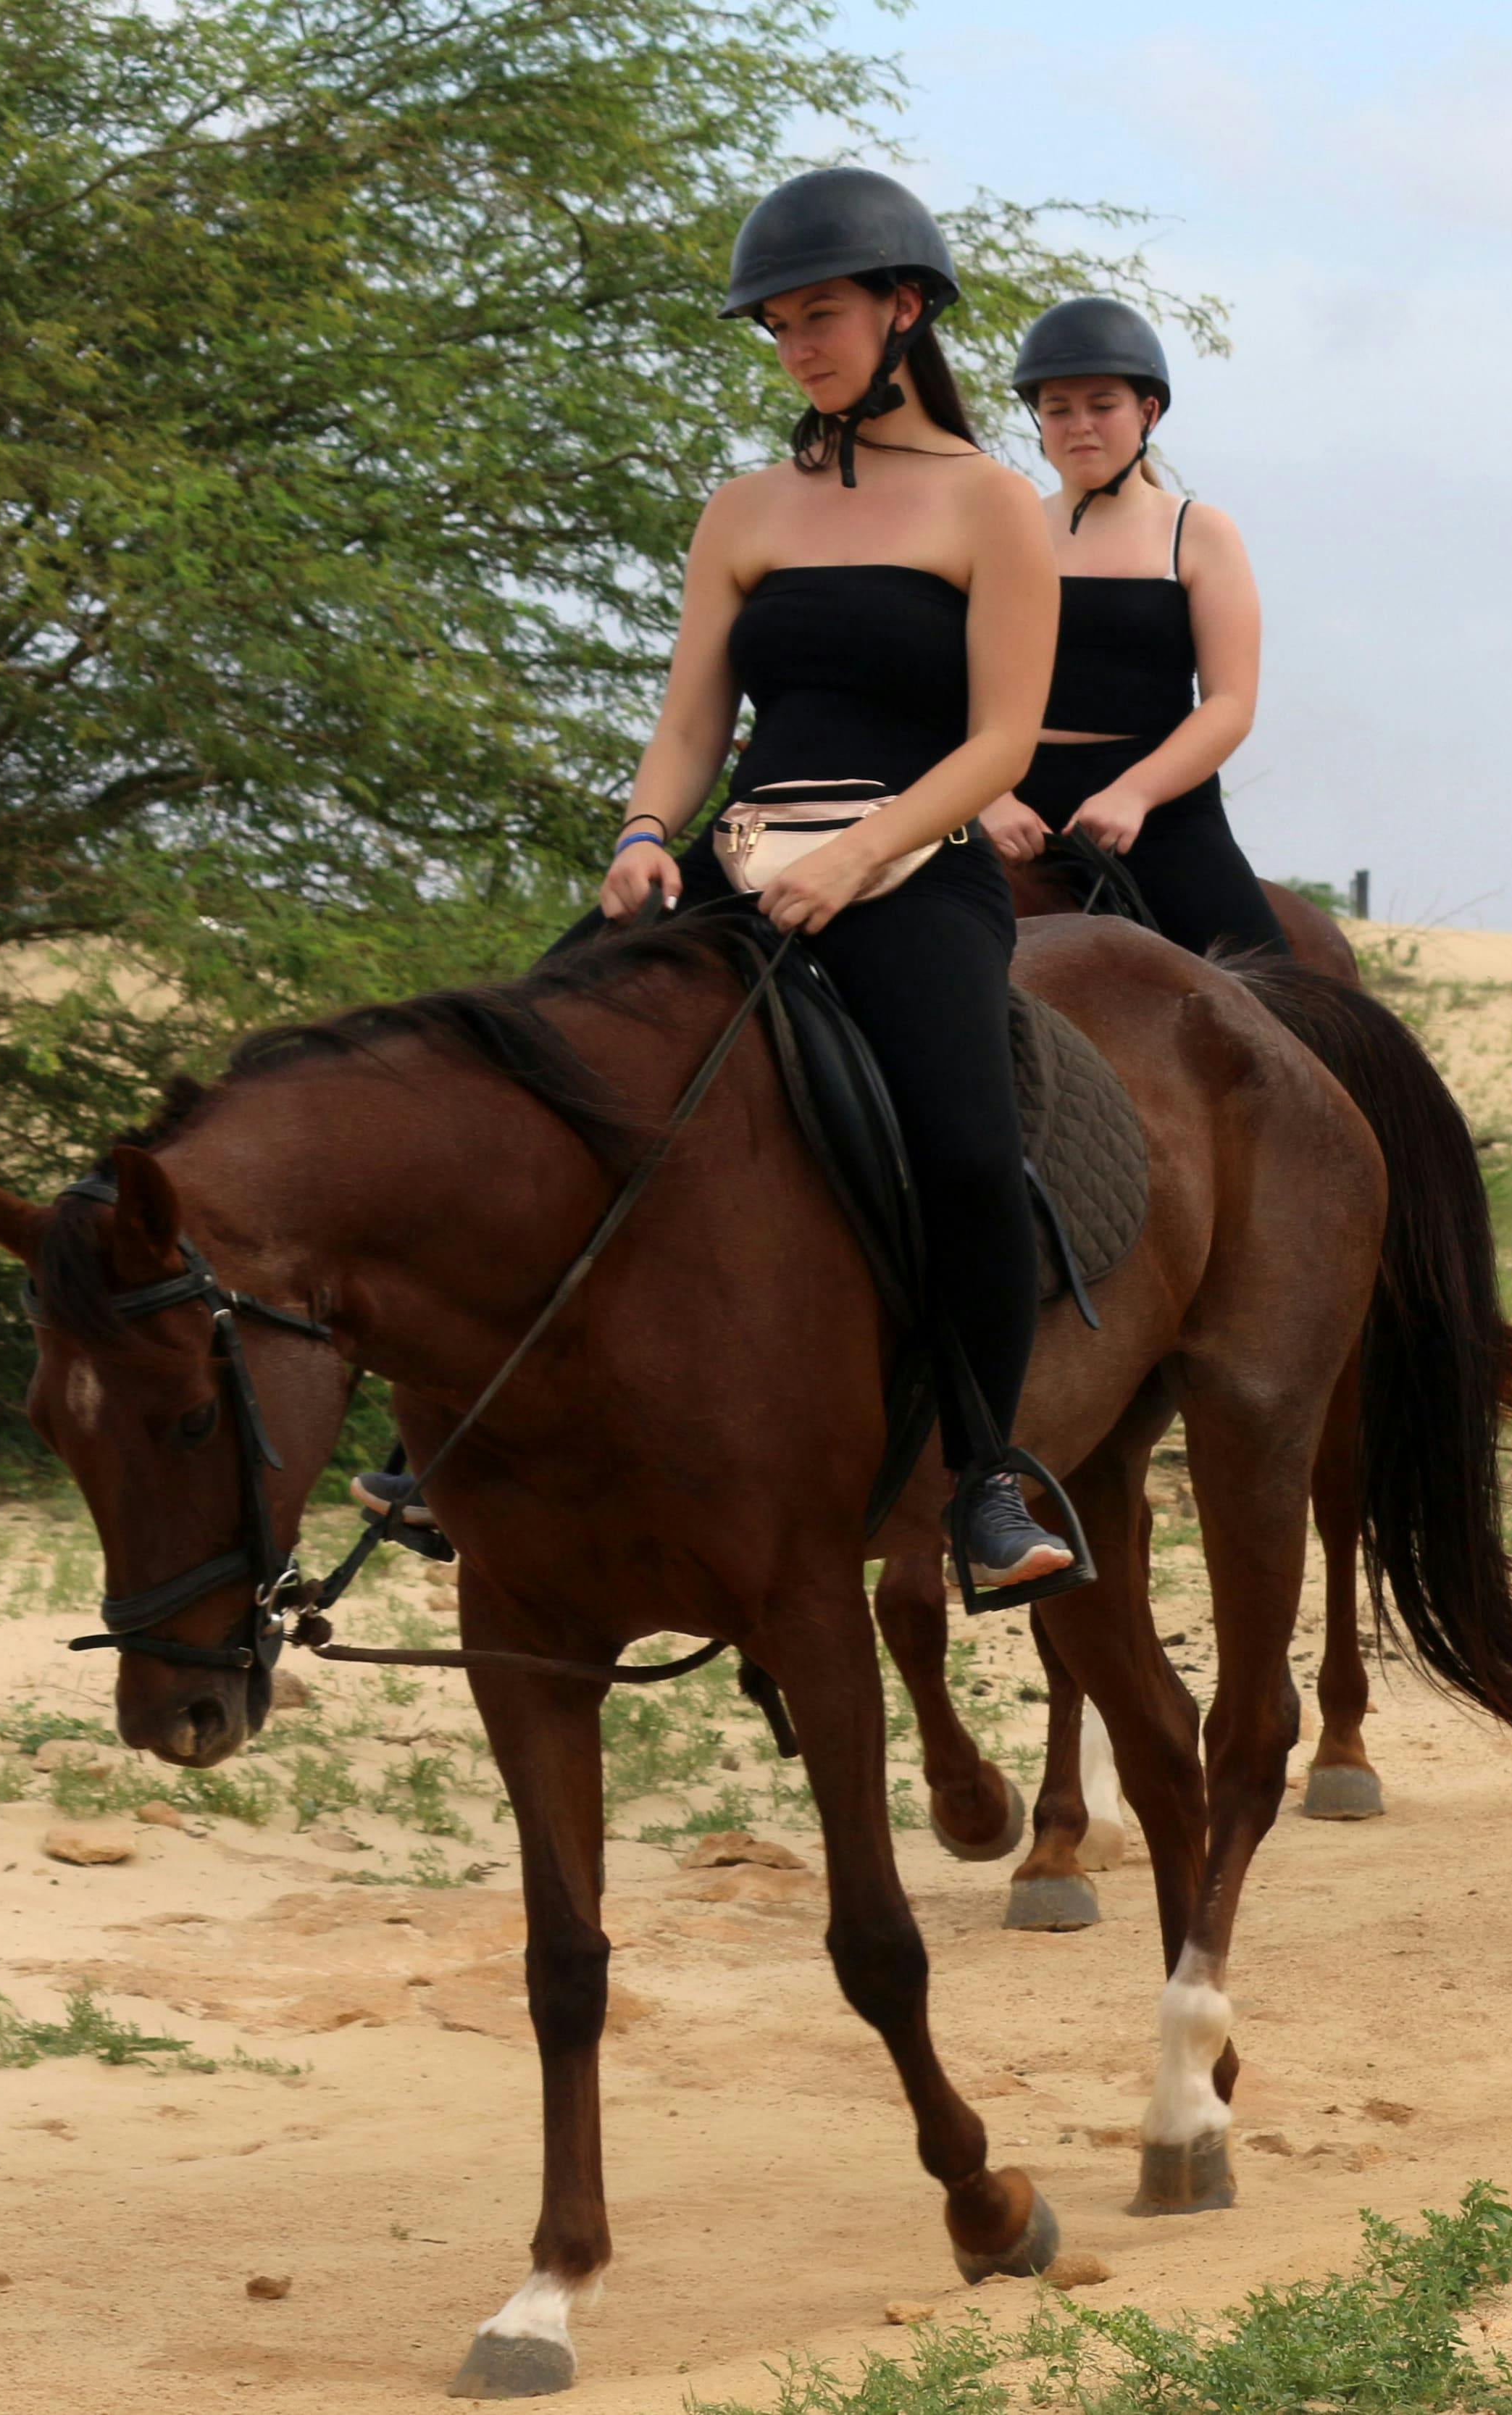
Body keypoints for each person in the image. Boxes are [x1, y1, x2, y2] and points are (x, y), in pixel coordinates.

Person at [582, 167, 1070, 1590]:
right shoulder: (744, 508)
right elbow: (690, 727)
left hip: (918, 866)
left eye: (822, 316)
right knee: (542, 1054)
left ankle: (984, 1478)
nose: (798, 345)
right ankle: (455, 1446)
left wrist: (864, 854)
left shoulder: (993, 505)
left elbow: (1003, 741)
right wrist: (639, 838)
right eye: (778, 324)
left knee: (971, 1154)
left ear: (904, 310)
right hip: (741, 858)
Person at [982, 296, 1285, 956]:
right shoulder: (1003, 533)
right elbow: (955, 685)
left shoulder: (1198, 532)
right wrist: (990, 797)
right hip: (1011, 808)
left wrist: (1133, 794)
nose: (1079, 425)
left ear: (1146, 412)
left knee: (1280, 1001)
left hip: (1159, 808)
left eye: (1102, 405)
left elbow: (1231, 703)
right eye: (1058, 409)